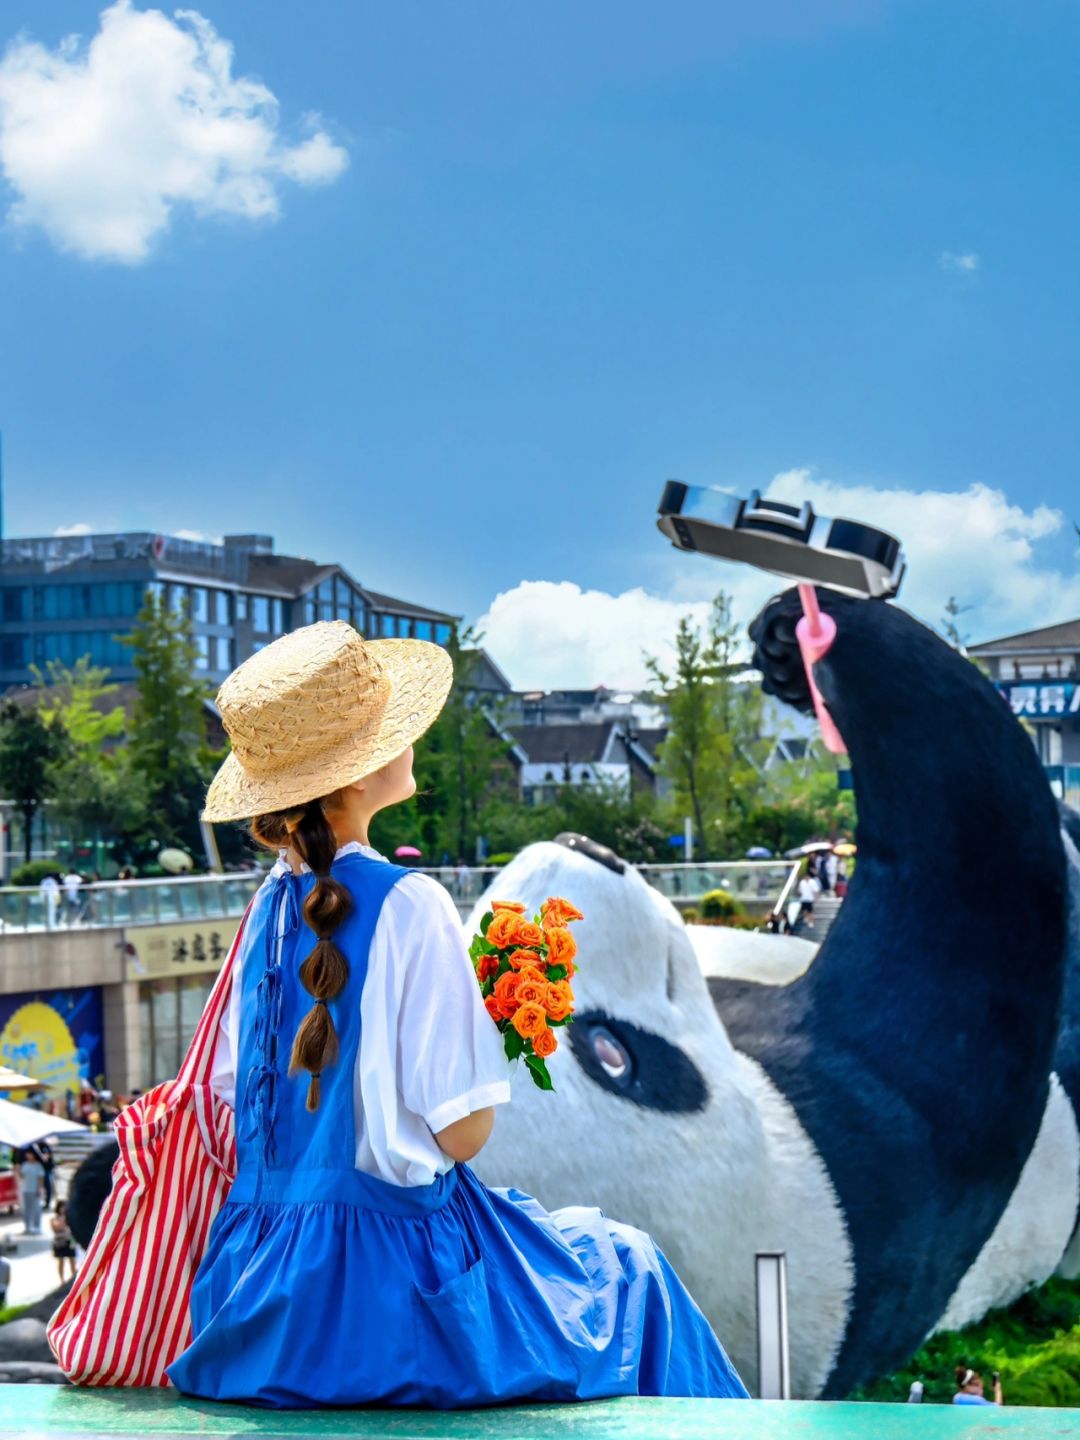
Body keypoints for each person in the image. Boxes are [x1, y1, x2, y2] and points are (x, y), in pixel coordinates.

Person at [164, 622, 748, 1408]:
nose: (414, 740)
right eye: (396, 729)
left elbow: (240, 1104)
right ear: (359, 773)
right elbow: (461, 1137)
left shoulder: (262, 915)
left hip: (254, 1291)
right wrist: (493, 1038)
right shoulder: (412, 905)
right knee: (628, 1272)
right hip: (391, 1304)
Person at [17, 1148, 45, 1235]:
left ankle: (37, 1226)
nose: (28, 1156)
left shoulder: (38, 1165)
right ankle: (27, 1227)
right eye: (27, 1154)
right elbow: (22, 1176)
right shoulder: (24, 1165)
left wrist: (39, 1189)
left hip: (35, 1189)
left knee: (36, 1209)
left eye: (30, 1154)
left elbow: (41, 1178)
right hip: (26, 1189)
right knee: (26, 1209)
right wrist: (17, 1170)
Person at [51, 1200, 77, 1283]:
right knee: (61, 1261)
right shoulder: (54, 1219)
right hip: (60, 1242)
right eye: (62, 1206)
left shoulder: (70, 1217)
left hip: (70, 1241)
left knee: (72, 1260)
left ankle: (74, 1278)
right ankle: (62, 1280)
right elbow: (57, 1227)